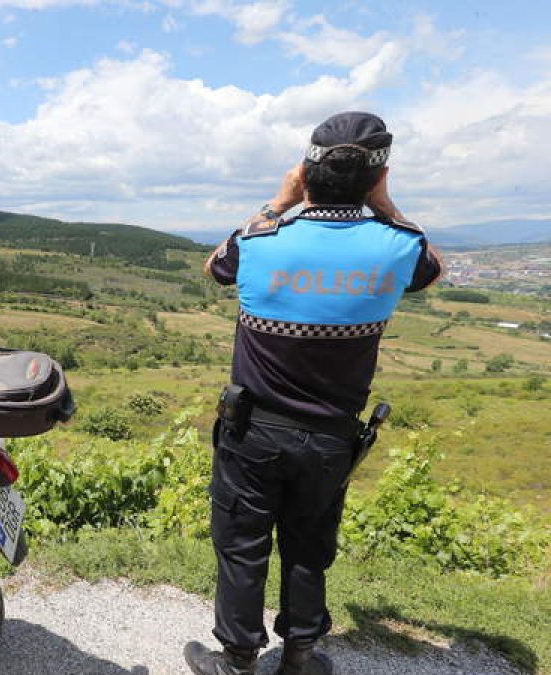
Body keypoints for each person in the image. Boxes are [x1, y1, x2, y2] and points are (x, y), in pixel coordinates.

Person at [184, 112, 444, 675]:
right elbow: (432, 270)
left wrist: (280, 200)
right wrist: (387, 205)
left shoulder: (262, 240)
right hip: (332, 435)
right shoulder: (398, 245)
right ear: (379, 176)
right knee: (309, 546)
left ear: (305, 171)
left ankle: (236, 657)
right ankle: (300, 655)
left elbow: (215, 268)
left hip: (253, 428)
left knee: (241, 543)